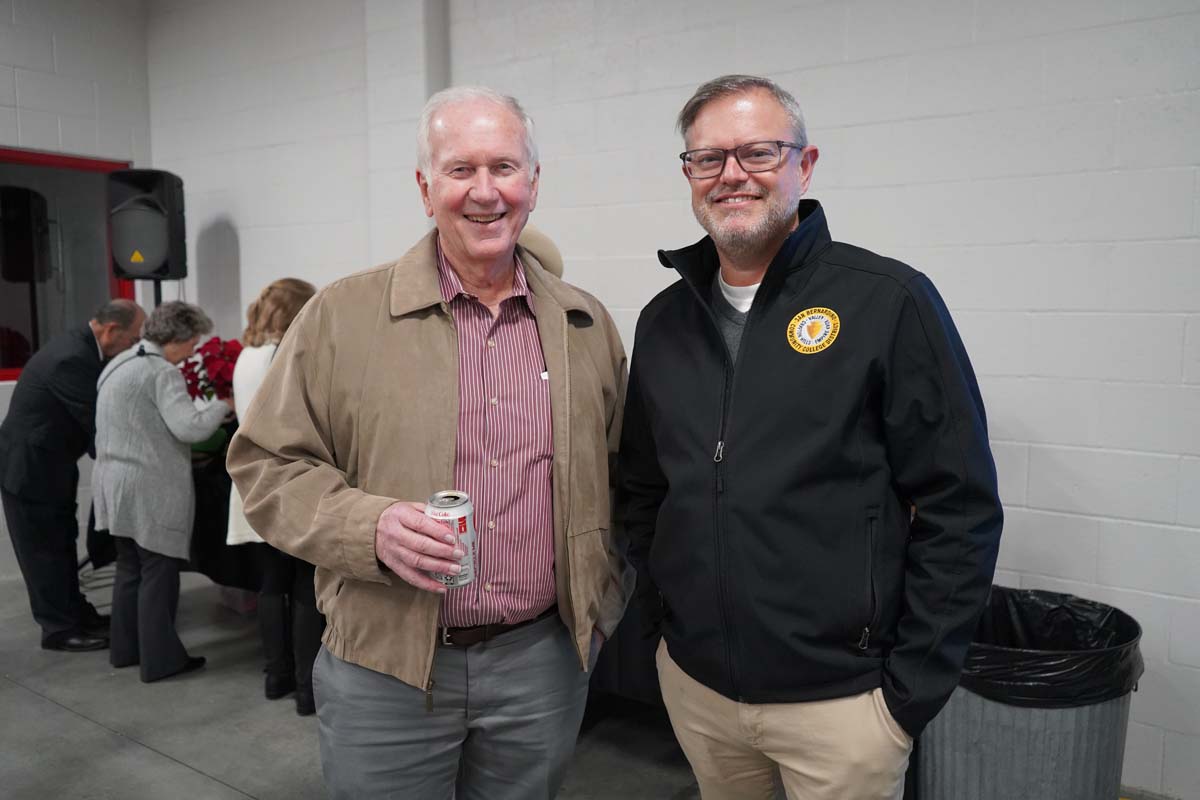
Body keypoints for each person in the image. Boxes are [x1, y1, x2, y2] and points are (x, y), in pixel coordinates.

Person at [227, 86, 630, 799]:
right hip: (386, 670)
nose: (485, 192)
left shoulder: (585, 325)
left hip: (542, 666)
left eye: (505, 168)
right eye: (459, 170)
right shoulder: (342, 317)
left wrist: (601, 608)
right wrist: (369, 527)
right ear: (424, 187)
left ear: (534, 182)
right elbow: (264, 464)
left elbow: (628, 479)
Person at [616, 74, 1004, 800]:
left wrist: (904, 698)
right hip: (699, 692)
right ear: (689, 175)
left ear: (806, 163)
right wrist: (664, 633)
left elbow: (961, 507)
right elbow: (644, 488)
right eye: (709, 158)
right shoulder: (663, 323)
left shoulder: (887, 300)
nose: (732, 174)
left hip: (845, 707)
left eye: (758, 152)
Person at [93, 301, 232, 682]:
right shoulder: (160, 372)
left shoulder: (118, 363)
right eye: (192, 342)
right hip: (147, 486)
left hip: (111, 481)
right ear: (176, 338)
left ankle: (125, 652)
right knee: (159, 571)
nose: (193, 351)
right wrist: (224, 405)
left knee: (130, 569)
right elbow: (189, 430)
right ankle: (161, 661)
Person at [0, 299, 145, 651]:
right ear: (111, 330)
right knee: (44, 552)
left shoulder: (82, 347)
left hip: (51, 466)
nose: (133, 345)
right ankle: (59, 629)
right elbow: (99, 424)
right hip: (30, 471)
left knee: (62, 546)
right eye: (132, 337)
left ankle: (76, 613)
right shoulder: (73, 359)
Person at [225, 277, 324, 715]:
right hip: (285, 480)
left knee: (271, 584)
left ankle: (276, 675)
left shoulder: (246, 355)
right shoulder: (284, 356)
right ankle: (307, 689)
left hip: (251, 481)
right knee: (305, 585)